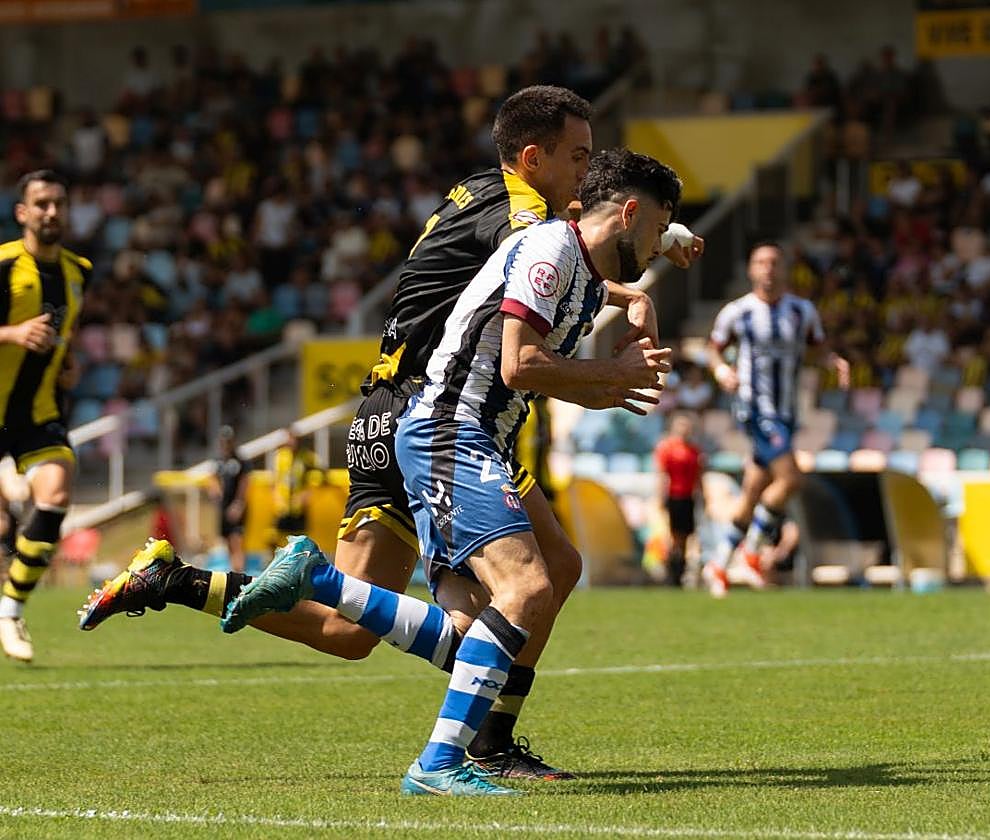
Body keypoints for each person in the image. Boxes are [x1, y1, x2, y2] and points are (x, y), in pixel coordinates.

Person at [79, 86, 701, 780]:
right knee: (496, 592)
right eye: (578, 158)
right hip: (432, 409)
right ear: (533, 159)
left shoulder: (479, 190)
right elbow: (551, 265)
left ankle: (178, 580)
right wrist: (632, 296)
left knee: (492, 592)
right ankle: (478, 746)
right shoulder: (530, 222)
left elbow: (570, 254)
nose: (585, 177)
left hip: (427, 408)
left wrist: (654, 241)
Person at [222, 147, 679, 796]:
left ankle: (322, 579)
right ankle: (439, 765)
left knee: (472, 633)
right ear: (630, 212)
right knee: (529, 588)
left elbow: (607, 266)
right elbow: (520, 365)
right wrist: (612, 377)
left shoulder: (577, 262)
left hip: (462, 438)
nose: (660, 243)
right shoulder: (549, 252)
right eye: (658, 228)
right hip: (451, 434)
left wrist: (640, 300)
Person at [704, 241, 847, 598]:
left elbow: (818, 346)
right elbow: (713, 348)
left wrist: (833, 362)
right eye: (760, 262)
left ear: (784, 269)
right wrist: (721, 370)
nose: (768, 268)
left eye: (774, 262)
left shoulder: (802, 311)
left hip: (786, 412)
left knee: (754, 490)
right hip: (756, 409)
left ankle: (718, 563)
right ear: (752, 270)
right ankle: (753, 551)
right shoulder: (738, 312)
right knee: (792, 479)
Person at [0, 169, 90, 661]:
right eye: (41, 204)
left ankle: (9, 612)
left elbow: (66, 332)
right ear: (22, 212)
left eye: (58, 203)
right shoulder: (4, 265)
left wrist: (68, 362)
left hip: (37, 410)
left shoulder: (81, 271)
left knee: (56, 492)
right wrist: (12, 335)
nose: (51, 212)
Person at [654, 412, 704, 587]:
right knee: (675, 536)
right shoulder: (667, 448)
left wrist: (703, 496)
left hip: (688, 497)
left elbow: (699, 476)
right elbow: (662, 474)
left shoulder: (694, 451)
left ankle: (679, 572)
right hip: (674, 496)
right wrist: (660, 497)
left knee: (686, 536)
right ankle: (672, 572)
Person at [270, 424, 321, 548]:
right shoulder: (280, 456)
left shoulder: (306, 456)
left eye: (293, 438)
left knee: (299, 539)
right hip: (282, 505)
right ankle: (275, 563)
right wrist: (276, 497)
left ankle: (298, 563)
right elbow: (275, 480)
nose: (291, 442)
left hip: (298, 506)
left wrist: (307, 494)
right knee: (273, 537)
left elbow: (319, 474)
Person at [210, 425, 249, 573]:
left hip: (235, 506)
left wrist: (239, 503)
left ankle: (239, 576)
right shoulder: (219, 461)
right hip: (224, 507)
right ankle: (234, 572)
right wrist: (215, 491)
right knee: (227, 542)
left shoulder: (240, 461)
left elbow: (245, 483)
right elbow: (213, 478)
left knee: (237, 541)